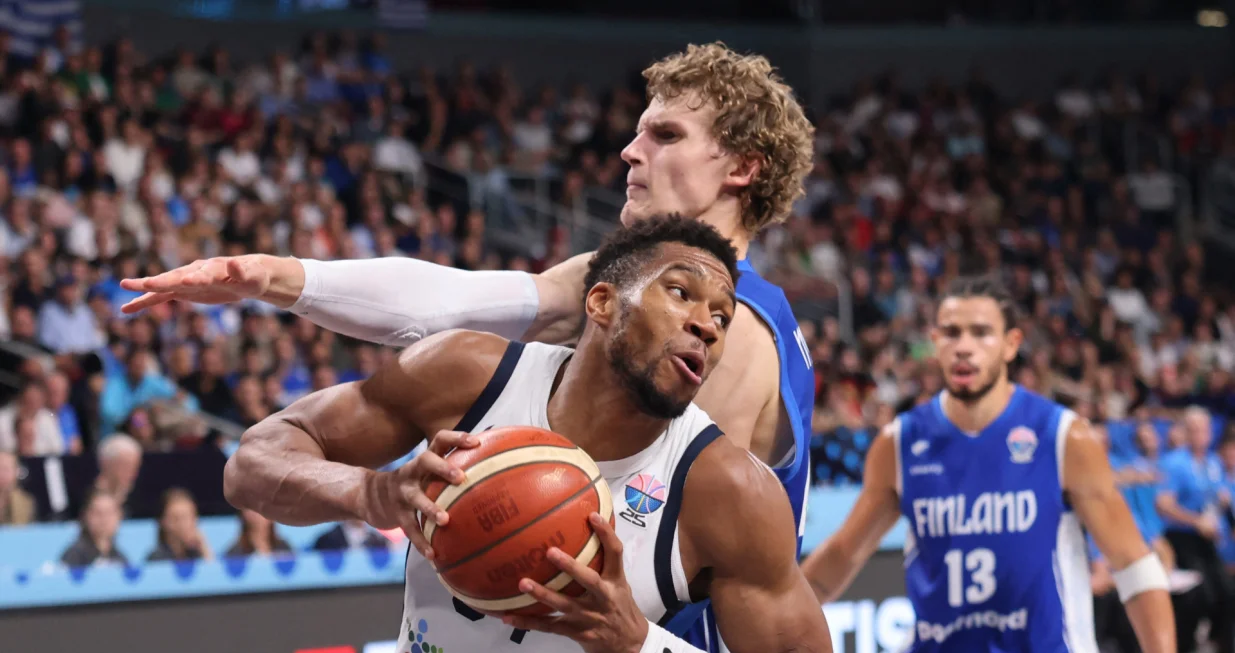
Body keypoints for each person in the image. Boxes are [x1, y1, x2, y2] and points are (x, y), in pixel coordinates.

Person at [121, 43, 817, 650]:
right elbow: (455, 302)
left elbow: (633, 543)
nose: (630, 151)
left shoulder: (732, 337)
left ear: (741, 169)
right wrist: (272, 276)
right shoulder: (624, 281)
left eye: (664, 134)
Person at [223, 217, 831, 653]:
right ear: (600, 303)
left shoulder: (727, 491)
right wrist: (371, 494)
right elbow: (252, 463)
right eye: (681, 293)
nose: (707, 325)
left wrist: (639, 644)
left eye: (722, 317)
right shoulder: (466, 376)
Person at [800, 276, 1175, 652]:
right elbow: (841, 556)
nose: (964, 347)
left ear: (1011, 344)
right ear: (935, 342)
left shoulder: (1063, 437)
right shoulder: (899, 443)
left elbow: (1133, 565)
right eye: (951, 333)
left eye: (981, 333)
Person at [1155, 406, 1233, 653]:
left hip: (1207, 540)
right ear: (1186, 432)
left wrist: (1222, 508)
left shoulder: (1212, 462)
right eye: (1195, 429)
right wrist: (1194, 520)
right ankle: (1184, 645)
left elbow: (1217, 497)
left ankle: (1221, 643)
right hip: (1182, 538)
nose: (1201, 434)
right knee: (1201, 595)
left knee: (1228, 591)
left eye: (1205, 429)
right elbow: (1164, 504)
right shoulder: (1174, 462)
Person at [60, 490, 128, 568]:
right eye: (98, 513)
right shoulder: (73, 556)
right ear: (85, 516)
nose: (104, 519)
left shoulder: (120, 559)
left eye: (109, 513)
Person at [147, 488, 213, 562]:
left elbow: (212, 571)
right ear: (163, 522)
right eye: (177, 518)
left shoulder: (196, 554)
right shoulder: (157, 558)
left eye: (190, 517)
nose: (184, 525)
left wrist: (203, 547)